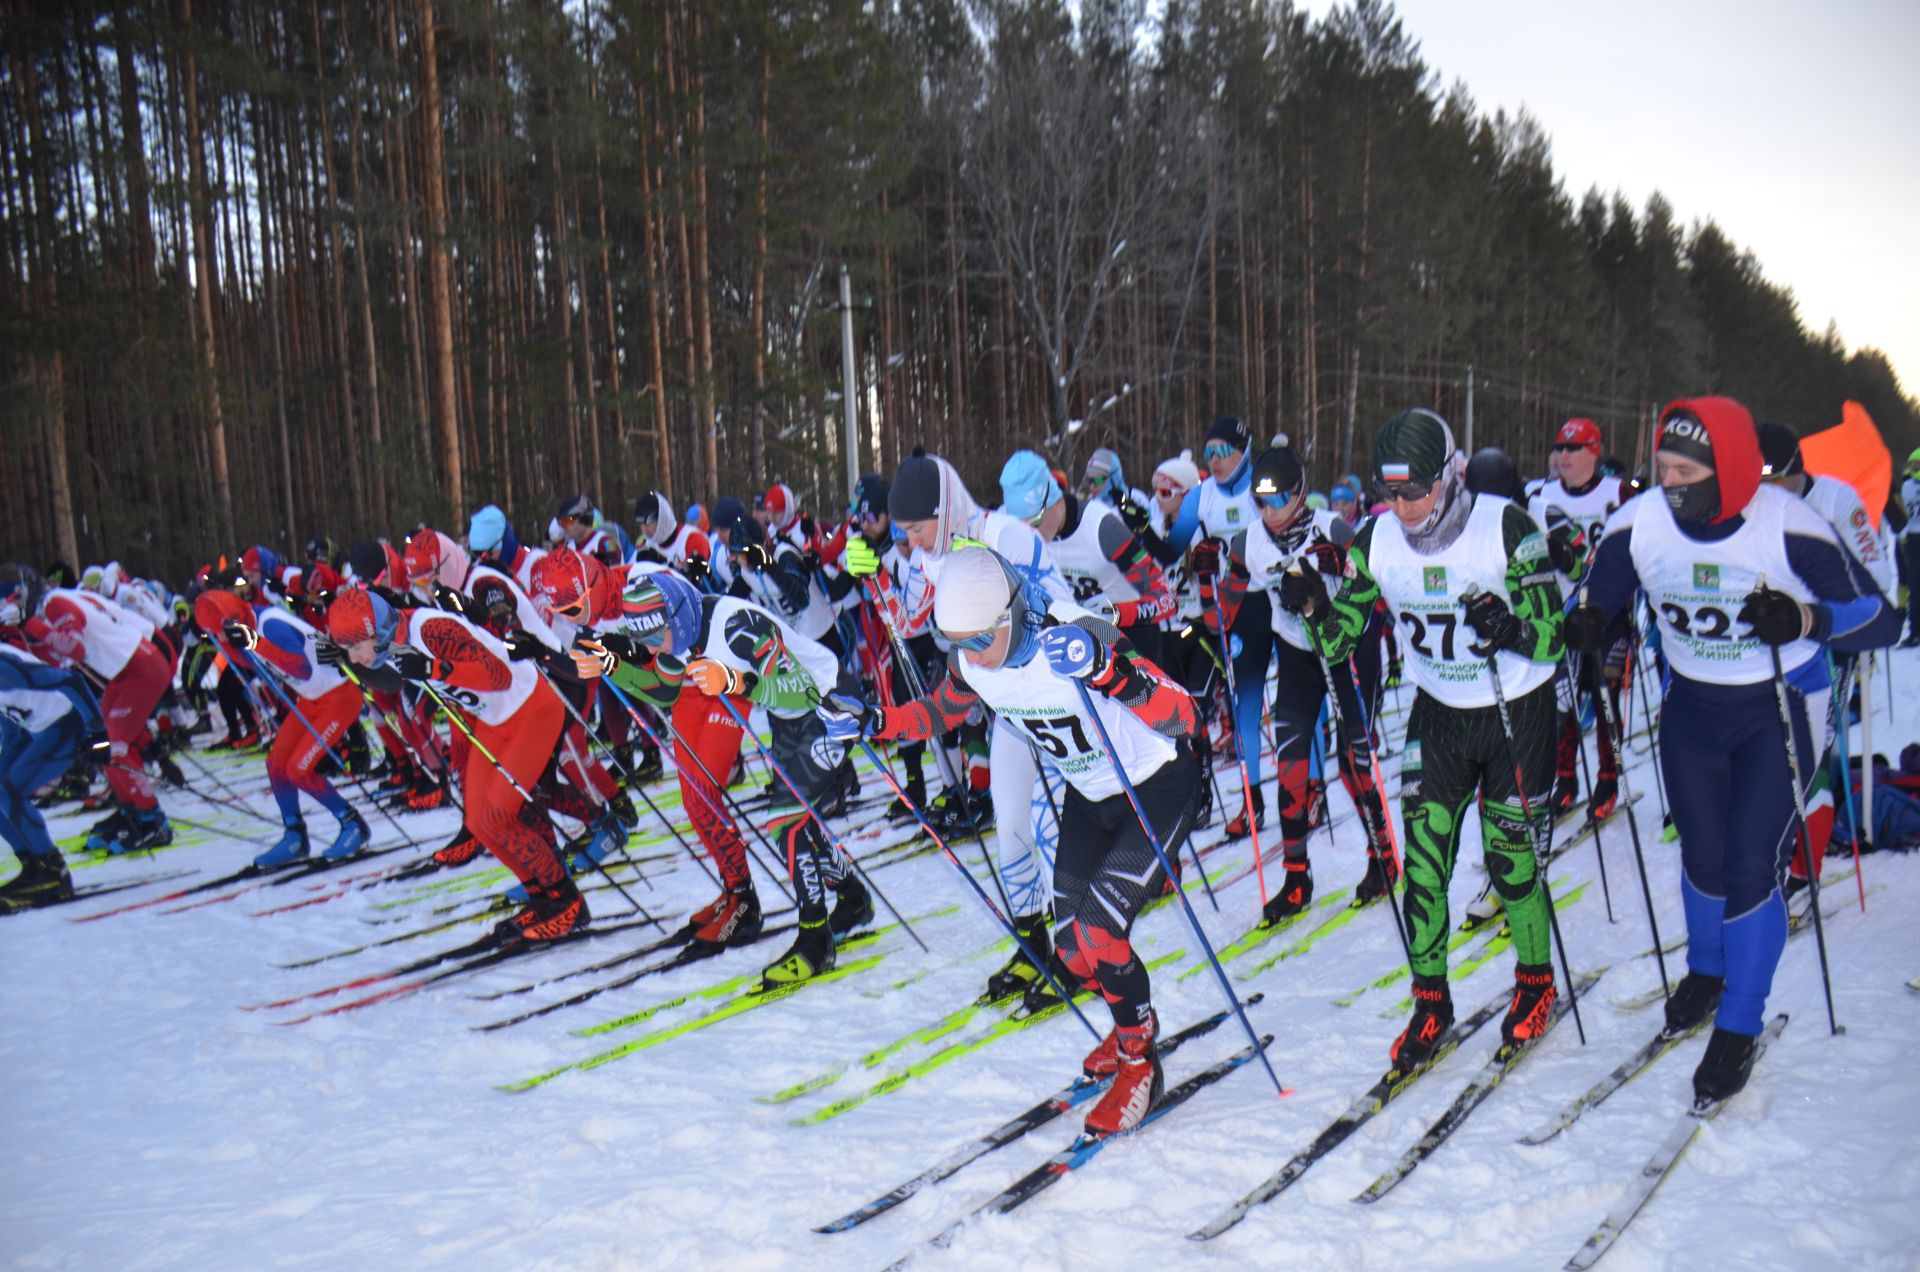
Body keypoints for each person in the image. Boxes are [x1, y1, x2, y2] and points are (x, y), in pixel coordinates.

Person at [1567, 397, 1898, 1100]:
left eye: (1688, 470)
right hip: (1692, 708)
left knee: (1751, 865)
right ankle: (1708, 970)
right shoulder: (1641, 520)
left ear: (1733, 471)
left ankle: (1739, 1024)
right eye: (1663, 468)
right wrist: (1592, 625)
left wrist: (1806, 617)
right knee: (1701, 853)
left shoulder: (1789, 524)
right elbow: (1599, 594)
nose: (1672, 483)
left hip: (1778, 708)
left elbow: (1883, 619)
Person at [819, 545, 1201, 1135]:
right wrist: (876, 721)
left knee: (1099, 932)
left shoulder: (1075, 632)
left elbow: (1183, 715)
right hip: (1092, 794)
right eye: (957, 644)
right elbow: (939, 711)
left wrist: (1107, 671)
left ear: (1011, 615)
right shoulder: (975, 659)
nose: (971, 657)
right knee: (1072, 952)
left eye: (978, 640)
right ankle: (1131, 1023)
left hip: (1157, 783)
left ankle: (1138, 1062)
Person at [1302, 408, 1567, 1069]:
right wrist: (1315, 610)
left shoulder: (1504, 527)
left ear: (1450, 476)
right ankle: (1431, 1001)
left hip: (1517, 711)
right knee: (1422, 868)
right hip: (1440, 714)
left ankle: (1536, 982)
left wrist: (1511, 629)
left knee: (1511, 865)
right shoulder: (1375, 539)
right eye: (1389, 493)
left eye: (1414, 491)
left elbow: (1556, 637)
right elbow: (1339, 644)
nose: (1403, 507)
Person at [583, 571, 873, 980]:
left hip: (830, 705)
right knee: (797, 817)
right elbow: (665, 689)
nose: (652, 648)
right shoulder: (682, 636)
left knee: (785, 821)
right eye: (644, 641)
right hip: (788, 720)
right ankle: (853, 896)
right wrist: (614, 667)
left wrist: (736, 680)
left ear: (677, 618)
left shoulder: (737, 627)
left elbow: (800, 688)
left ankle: (815, 940)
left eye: (655, 638)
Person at [888, 447, 1078, 1001]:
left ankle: (1076, 950)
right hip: (1009, 711)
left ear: (944, 510)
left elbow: (1066, 612)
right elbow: (910, 620)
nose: (914, 543)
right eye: (905, 534)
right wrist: (878, 577)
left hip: (1056, 702)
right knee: (1012, 822)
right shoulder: (932, 557)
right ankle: (1033, 942)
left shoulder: (1008, 537)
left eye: (918, 529)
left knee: (1051, 828)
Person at [329, 585, 590, 941]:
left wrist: (435, 667)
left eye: (355, 648)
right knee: (479, 822)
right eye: (348, 652)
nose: (355, 658)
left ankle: (567, 902)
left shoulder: (430, 628)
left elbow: (499, 675)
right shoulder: (390, 643)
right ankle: (541, 896)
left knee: (499, 814)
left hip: (533, 709)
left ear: (375, 631)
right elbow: (411, 681)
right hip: (495, 720)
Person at [1231, 446, 1397, 921]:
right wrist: (1207, 578)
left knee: (1353, 760)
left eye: (1278, 499)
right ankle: (1297, 876)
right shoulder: (1249, 543)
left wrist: (1339, 569)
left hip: (1348, 652)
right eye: (1260, 502)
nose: (1270, 511)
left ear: (1300, 493)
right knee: (1291, 766)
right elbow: (1219, 613)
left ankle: (1382, 856)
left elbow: (1375, 588)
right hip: (1300, 657)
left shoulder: (1334, 529)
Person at [6, 564, 175, 854]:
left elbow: (75, 649)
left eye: (19, 600)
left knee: (112, 747)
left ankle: (152, 818)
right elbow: (58, 654)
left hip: (137, 668)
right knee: (102, 743)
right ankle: (132, 808)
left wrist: (28, 625)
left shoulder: (55, 603)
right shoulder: (59, 599)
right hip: (125, 670)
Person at [196, 588, 370, 867]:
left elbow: (300, 668)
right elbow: (255, 665)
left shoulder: (270, 624)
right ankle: (295, 836)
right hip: (312, 699)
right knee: (276, 763)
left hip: (339, 696)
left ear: (235, 619)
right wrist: (233, 647)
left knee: (299, 769)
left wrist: (253, 642)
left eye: (222, 632)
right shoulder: (245, 631)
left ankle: (353, 824)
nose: (221, 639)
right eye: (215, 634)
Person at [1156, 417, 1270, 840]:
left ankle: (1310, 792)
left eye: (1225, 450)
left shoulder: (1261, 483)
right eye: (1210, 452)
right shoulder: (1200, 496)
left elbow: (1286, 529)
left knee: (1303, 707)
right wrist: (1132, 530)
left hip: (1274, 596)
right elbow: (1169, 552)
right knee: (1246, 706)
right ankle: (1253, 803)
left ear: (1245, 449)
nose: (1216, 459)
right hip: (1235, 607)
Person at [1530, 418, 1637, 820]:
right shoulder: (1542, 494)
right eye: (1560, 447)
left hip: (1608, 612)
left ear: (1595, 451)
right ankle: (1566, 779)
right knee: (1564, 701)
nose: (1564, 456)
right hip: (1559, 611)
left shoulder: (1620, 493)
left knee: (1604, 694)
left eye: (1574, 448)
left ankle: (1608, 778)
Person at [1003, 450, 1176, 663]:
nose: (1032, 533)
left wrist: (1116, 613)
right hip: (1082, 649)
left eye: (1036, 522)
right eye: (1022, 526)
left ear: (1056, 502)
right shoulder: (1027, 537)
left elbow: (1167, 598)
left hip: (1132, 646)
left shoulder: (1103, 528)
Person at [0, 634, 103, 908]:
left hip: (68, 725)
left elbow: (71, 680)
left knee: (10, 791)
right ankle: (34, 865)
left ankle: (52, 871)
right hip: (39, 731)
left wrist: (98, 734)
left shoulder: (3, 666)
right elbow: (11, 726)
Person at [1901, 448, 1920, 646]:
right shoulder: (1906, 485)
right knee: (1915, 588)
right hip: (1913, 539)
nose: (1914, 466)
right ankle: (1915, 631)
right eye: (1912, 463)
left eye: (1918, 463)